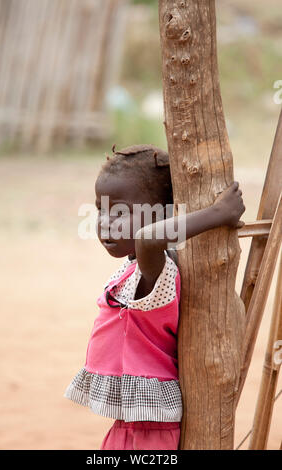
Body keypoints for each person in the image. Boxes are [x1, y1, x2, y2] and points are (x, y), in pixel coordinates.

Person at [64, 144, 245, 450]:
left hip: (152, 431)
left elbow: (148, 239)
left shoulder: (158, 271)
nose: (106, 221)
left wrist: (219, 213)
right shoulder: (133, 269)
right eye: (101, 209)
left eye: (121, 212)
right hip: (129, 424)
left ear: (163, 217)